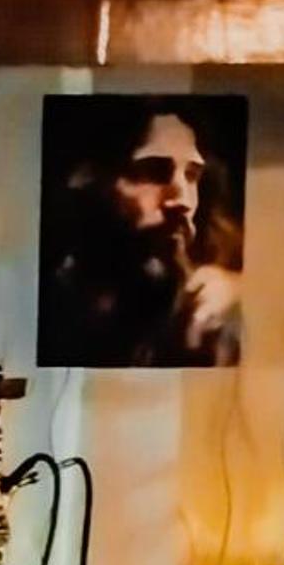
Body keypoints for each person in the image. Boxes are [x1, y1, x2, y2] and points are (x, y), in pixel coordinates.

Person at [40, 100, 244, 368]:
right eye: (154, 171)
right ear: (91, 177)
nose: (183, 200)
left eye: (192, 175)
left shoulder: (226, 281)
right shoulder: (51, 298)